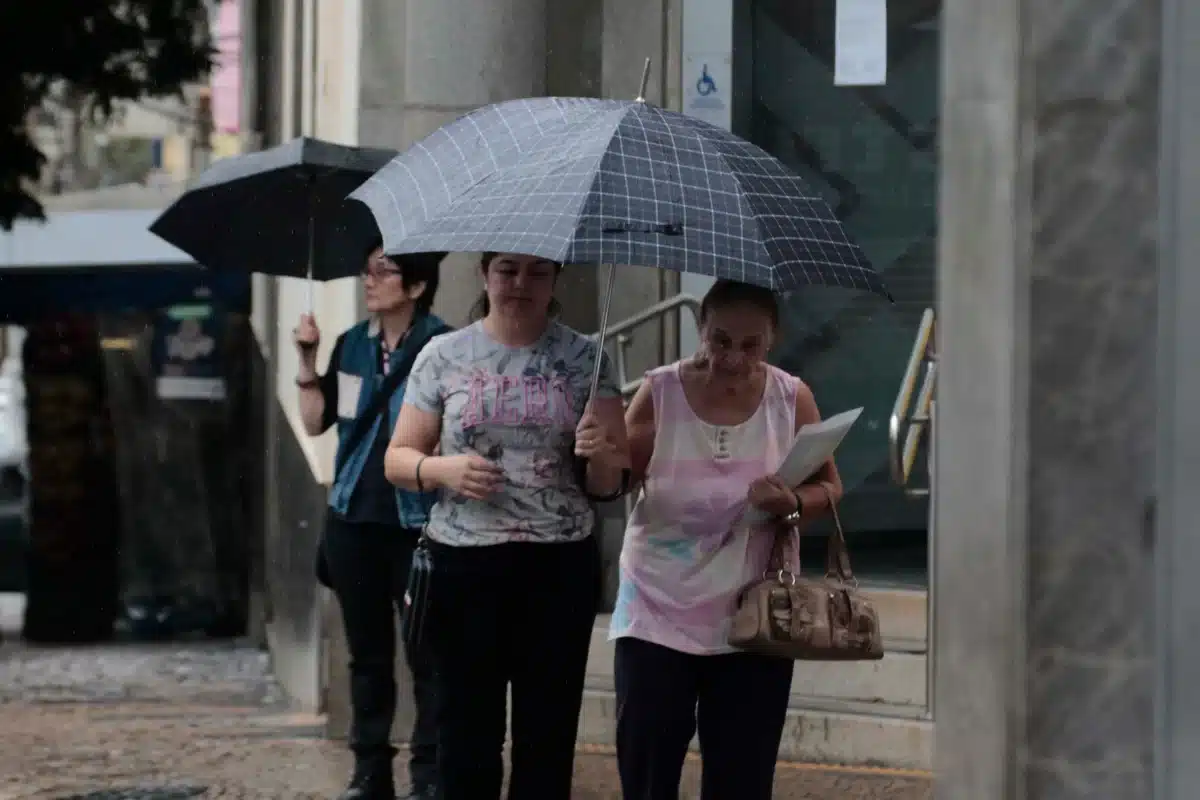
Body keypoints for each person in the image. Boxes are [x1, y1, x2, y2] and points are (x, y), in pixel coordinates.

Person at [384, 252, 630, 799]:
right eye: (508, 270)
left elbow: (612, 485)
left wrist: (602, 454)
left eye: (538, 273)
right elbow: (397, 459)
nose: (521, 284)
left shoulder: (587, 358)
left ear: (555, 281)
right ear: (485, 275)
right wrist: (442, 468)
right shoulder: (443, 355)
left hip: (558, 565)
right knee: (464, 736)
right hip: (463, 564)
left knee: (547, 735)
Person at [610, 279, 845, 800]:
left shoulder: (791, 397)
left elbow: (830, 486)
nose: (733, 358)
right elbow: (619, 481)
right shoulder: (661, 389)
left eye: (750, 346)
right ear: (700, 330)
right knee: (647, 775)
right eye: (720, 341)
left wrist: (792, 503)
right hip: (655, 609)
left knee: (742, 779)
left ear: (772, 342)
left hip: (755, 616)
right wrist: (600, 451)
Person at [294, 242, 450, 800]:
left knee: (428, 656)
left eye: (383, 270)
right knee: (367, 655)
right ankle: (370, 771)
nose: (369, 279)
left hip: (419, 526)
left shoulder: (444, 346)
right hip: (353, 519)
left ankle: (429, 773)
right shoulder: (351, 346)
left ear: (415, 286)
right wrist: (308, 362)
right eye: (368, 268)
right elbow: (316, 425)